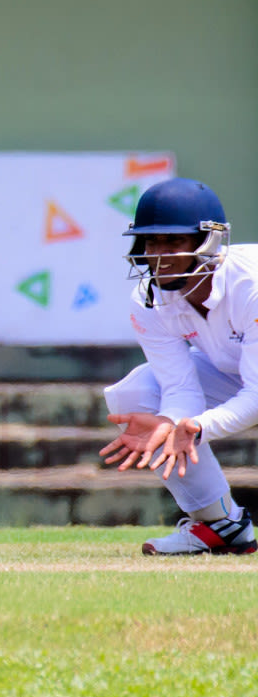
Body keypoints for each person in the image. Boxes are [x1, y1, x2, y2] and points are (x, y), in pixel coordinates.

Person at [99, 176, 256, 556]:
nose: (159, 254)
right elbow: (181, 390)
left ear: (209, 242)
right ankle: (221, 526)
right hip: (233, 371)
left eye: (174, 241)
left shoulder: (250, 285)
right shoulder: (148, 301)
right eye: (152, 241)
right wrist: (171, 425)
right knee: (136, 396)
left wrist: (199, 427)